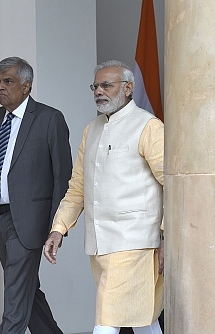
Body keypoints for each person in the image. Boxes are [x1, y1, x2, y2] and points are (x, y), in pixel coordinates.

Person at [43, 60, 165, 334]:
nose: (99, 91)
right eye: (95, 86)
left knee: (106, 318)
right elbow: (77, 188)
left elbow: (171, 184)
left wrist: (167, 237)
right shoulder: (92, 129)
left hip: (134, 242)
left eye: (106, 85)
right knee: (140, 318)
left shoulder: (148, 127)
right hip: (99, 243)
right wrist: (58, 228)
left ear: (129, 88)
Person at [0, 56, 72, 334]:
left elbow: (62, 178)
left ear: (26, 86)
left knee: (16, 299)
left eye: (9, 81)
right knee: (28, 291)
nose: (1, 87)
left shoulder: (49, 119)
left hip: (31, 222)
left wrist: (58, 226)